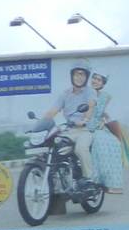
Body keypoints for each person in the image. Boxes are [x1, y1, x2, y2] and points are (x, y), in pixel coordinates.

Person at [38, 62, 99, 193]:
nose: (79, 77)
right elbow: (53, 111)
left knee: (81, 149)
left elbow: (91, 105)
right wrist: (40, 123)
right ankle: (56, 182)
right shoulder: (65, 94)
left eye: (82, 75)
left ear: (86, 77)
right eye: (77, 74)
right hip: (68, 131)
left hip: (84, 130)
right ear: (72, 76)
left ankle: (89, 179)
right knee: (53, 150)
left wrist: (85, 120)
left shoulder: (90, 91)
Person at [87, 68, 129, 194]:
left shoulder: (106, 97)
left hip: (97, 126)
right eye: (94, 78)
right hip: (83, 125)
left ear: (103, 83)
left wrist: (105, 119)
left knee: (112, 144)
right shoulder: (85, 93)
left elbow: (106, 113)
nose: (95, 81)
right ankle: (93, 178)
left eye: (99, 80)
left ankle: (108, 183)